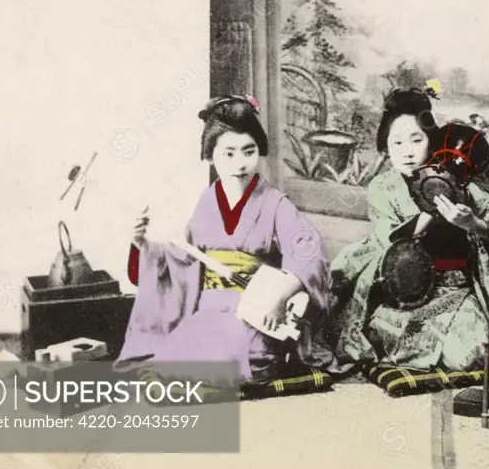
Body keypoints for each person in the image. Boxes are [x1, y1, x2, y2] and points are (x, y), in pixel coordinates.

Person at [116, 95, 339, 385]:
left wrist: (280, 297)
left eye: (248, 151)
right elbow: (183, 260)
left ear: (259, 151)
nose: (239, 164)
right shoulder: (208, 201)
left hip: (255, 310)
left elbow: (309, 253)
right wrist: (140, 244)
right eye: (228, 153)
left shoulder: (274, 202)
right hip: (209, 310)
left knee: (251, 359)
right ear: (210, 156)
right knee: (166, 361)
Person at [331, 87, 489, 371]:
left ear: (431, 142)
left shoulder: (458, 182)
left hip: (454, 291)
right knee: (368, 334)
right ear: (386, 148)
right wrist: (429, 211)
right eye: (397, 143)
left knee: (474, 358)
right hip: (400, 294)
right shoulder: (383, 187)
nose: (407, 152)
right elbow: (390, 242)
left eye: (415, 140)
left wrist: (471, 224)